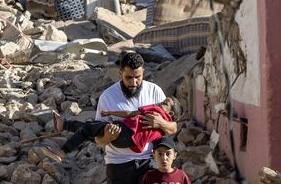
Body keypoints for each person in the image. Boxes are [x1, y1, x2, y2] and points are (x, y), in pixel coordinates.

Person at [97, 52, 178, 184]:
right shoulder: (107, 97)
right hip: (118, 165)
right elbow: (98, 139)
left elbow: (174, 128)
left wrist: (161, 123)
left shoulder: (154, 91)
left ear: (143, 73)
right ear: (120, 73)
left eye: (138, 77)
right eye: (128, 77)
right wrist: (108, 137)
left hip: (150, 162)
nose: (133, 83)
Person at [47, 97, 182, 160]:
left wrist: (112, 112)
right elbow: (174, 128)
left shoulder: (156, 111)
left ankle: (63, 151)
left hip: (125, 132)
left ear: (170, 114)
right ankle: (64, 125)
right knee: (89, 129)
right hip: (127, 142)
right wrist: (112, 113)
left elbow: (131, 113)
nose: (160, 103)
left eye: (165, 103)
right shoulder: (164, 130)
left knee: (89, 127)